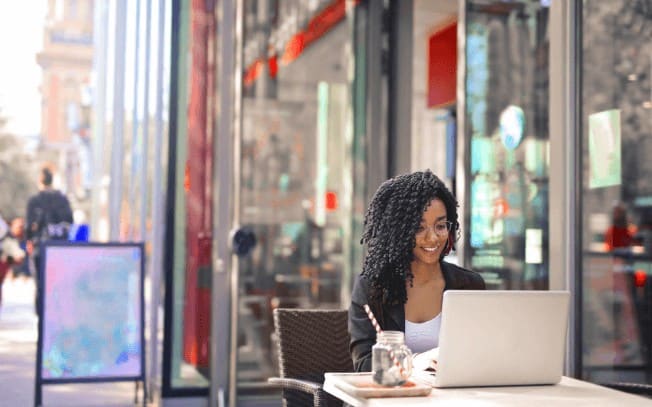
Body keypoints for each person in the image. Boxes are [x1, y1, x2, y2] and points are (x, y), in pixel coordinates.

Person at [348, 169, 485, 372]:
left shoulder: (469, 285)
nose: (432, 238)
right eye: (419, 228)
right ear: (398, 232)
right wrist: (415, 362)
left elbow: (482, 354)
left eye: (440, 226)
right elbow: (364, 364)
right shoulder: (372, 288)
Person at [25, 167, 73, 314]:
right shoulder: (62, 200)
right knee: (58, 286)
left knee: (41, 286)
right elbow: (70, 223)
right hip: (60, 249)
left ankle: (42, 325)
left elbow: (29, 228)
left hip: (40, 249)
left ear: (40, 181)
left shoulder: (35, 201)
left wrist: (31, 241)